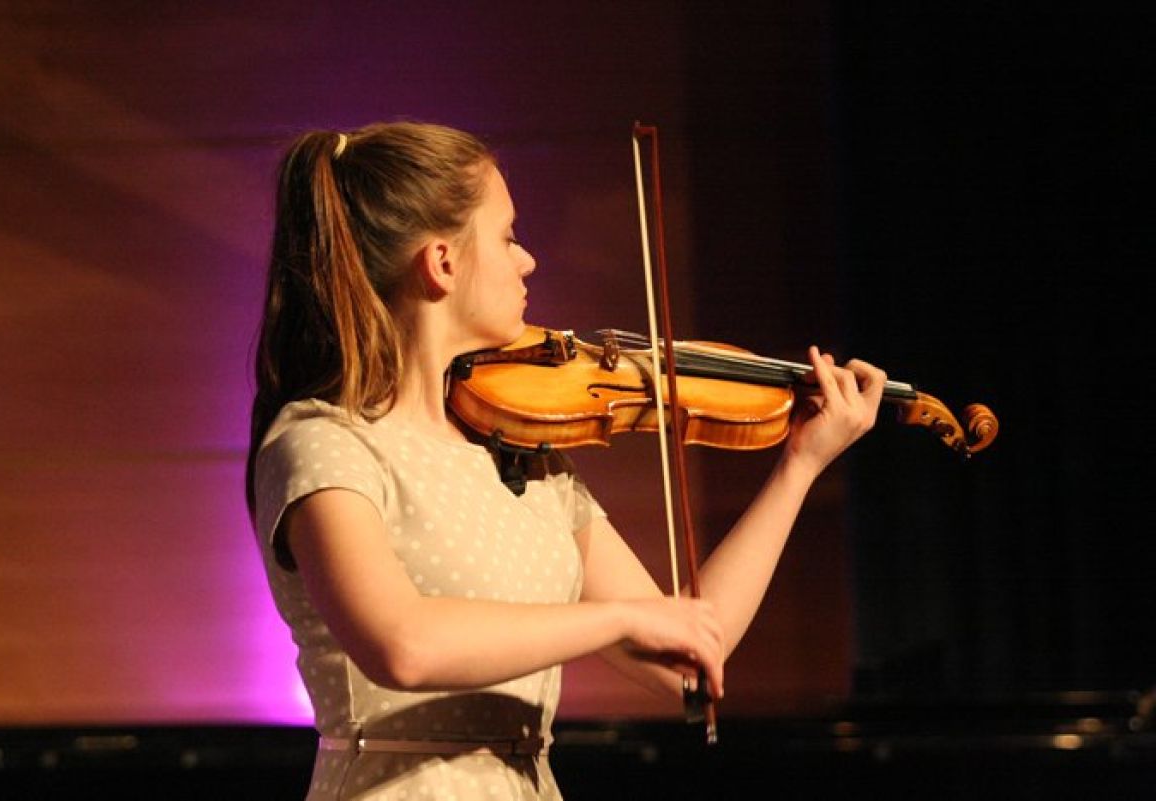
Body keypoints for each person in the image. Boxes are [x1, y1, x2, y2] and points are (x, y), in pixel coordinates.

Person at [245, 121, 886, 801]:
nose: (527, 261)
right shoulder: (323, 441)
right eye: (507, 237)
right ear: (442, 262)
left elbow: (688, 656)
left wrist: (799, 466)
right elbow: (403, 644)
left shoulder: (523, 456)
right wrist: (617, 620)